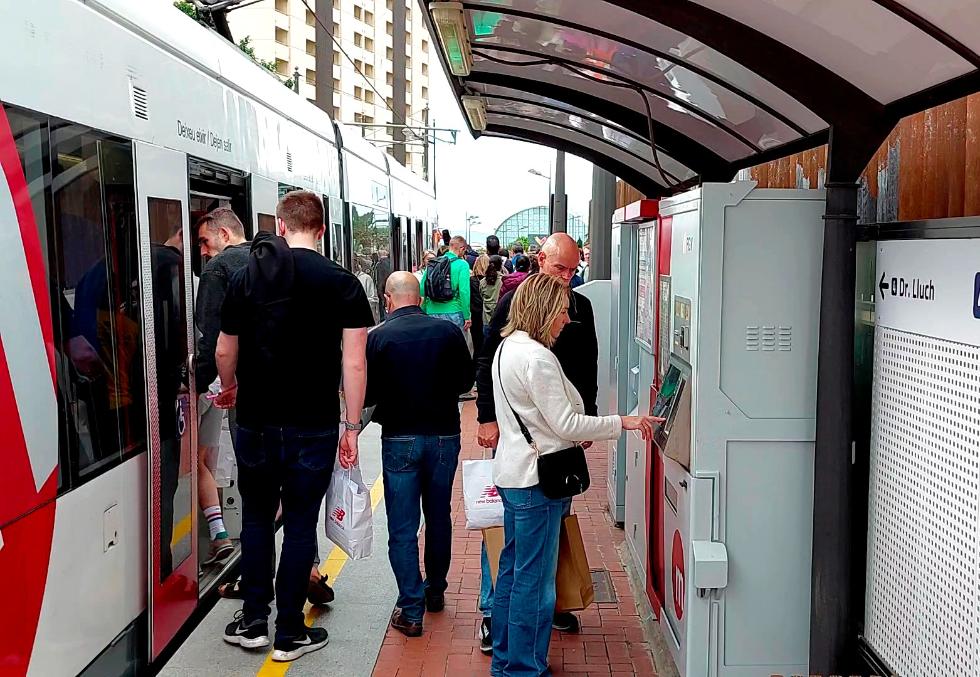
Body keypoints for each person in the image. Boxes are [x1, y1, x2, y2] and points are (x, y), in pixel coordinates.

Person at [216, 190, 373, 662]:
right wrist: (351, 428)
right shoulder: (342, 283)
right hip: (314, 426)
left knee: (259, 519)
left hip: (257, 424)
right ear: (321, 229)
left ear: (281, 226)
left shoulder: (246, 278)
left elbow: (225, 350)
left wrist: (230, 387)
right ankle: (290, 633)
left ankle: (253, 623)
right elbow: (355, 364)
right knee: (301, 523)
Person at [490, 274, 661, 676]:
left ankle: (504, 661)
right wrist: (624, 422)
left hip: (514, 474)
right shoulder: (537, 358)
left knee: (513, 573)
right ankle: (524, 669)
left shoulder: (507, 347)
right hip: (537, 480)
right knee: (534, 582)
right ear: (545, 310)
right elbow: (567, 423)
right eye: (563, 311)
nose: (567, 319)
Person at [475, 233, 601, 651]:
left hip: (560, 442)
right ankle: (497, 613)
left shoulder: (580, 306)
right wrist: (487, 416)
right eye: (558, 268)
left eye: (572, 270)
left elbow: (589, 366)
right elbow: (487, 357)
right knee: (509, 537)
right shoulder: (520, 307)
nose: (566, 278)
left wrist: (587, 420)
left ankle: (550, 601)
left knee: (549, 528)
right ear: (540, 260)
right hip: (525, 438)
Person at [365, 272, 474, 637]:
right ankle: (436, 590)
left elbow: (366, 395)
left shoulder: (377, 337)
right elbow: (464, 382)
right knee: (438, 516)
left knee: (402, 525)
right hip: (444, 436)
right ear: (422, 297)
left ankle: (411, 609)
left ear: (387, 298)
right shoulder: (448, 332)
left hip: (399, 439)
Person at [194, 208, 250, 566]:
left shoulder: (218, 269)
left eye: (205, 240)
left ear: (225, 235)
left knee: (201, 459)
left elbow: (213, 339)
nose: (202, 250)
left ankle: (222, 538)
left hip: (227, 389)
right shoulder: (277, 261)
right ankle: (308, 564)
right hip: (285, 395)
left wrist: (209, 383)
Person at [419, 235, 472, 333]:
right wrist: (467, 316)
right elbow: (464, 291)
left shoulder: (433, 263)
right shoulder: (462, 265)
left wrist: (424, 309)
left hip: (431, 311)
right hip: (454, 311)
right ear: (462, 249)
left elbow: (422, 288)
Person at [470, 255, 490, 359]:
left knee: (477, 344)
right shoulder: (492, 280)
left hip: (475, 314)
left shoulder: (472, 280)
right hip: (487, 314)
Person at [479, 256, 504, 339]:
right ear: (501, 266)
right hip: (500, 320)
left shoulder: (482, 282)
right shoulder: (504, 280)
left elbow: (481, 295)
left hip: (486, 319)